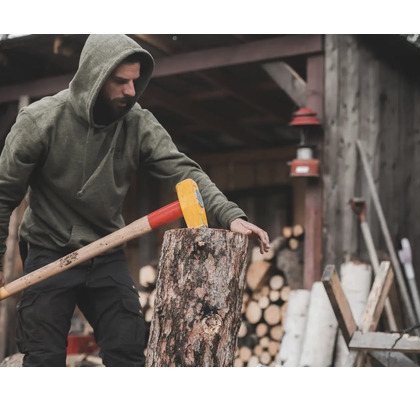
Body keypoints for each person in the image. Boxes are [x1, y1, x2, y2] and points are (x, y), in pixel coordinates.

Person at [0, 34, 270, 367]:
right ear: (92, 78)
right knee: (44, 358)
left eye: (135, 81)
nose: (131, 90)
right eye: (120, 81)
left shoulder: (138, 123)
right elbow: (2, 195)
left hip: (107, 248)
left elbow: (184, 172)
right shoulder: (39, 122)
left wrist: (230, 215)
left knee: (127, 352)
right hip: (48, 249)